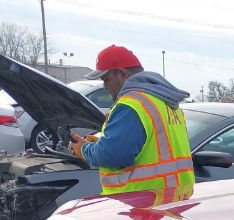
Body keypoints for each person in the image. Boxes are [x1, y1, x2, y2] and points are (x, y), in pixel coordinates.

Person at [70, 45, 194, 195]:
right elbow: (151, 147)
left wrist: (83, 150)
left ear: (122, 74)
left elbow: (113, 156)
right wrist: (101, 143)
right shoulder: (166, 102)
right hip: (174, 197)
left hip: (141, 203)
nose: (104, 86)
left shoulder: (132, 104)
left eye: (106, 79)